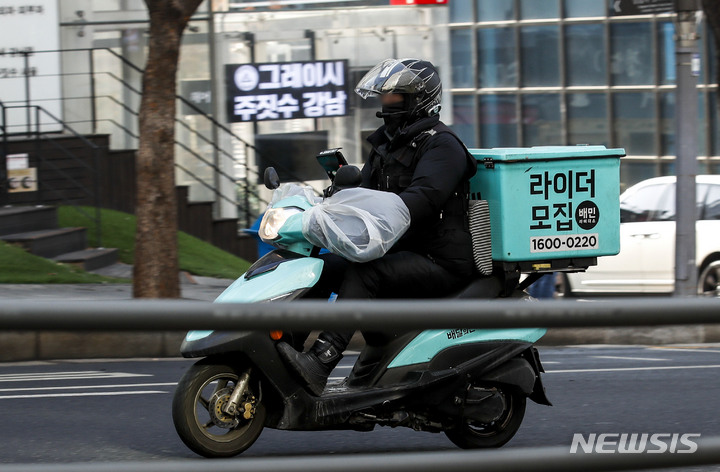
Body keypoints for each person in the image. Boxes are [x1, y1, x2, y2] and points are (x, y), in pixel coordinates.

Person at [277, 58, 478, 395]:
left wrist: (371, 209)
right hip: (401, 250)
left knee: (363, 273)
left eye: (395, 98)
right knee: (322, 266)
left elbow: (422, 200)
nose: (386, 105)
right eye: (383, 98)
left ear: (419, 100)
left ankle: (321, 361)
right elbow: (365, 191)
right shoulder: (388, 143)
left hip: (440, 260)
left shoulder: (443, 145)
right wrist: (336, 199)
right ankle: (288, 344)